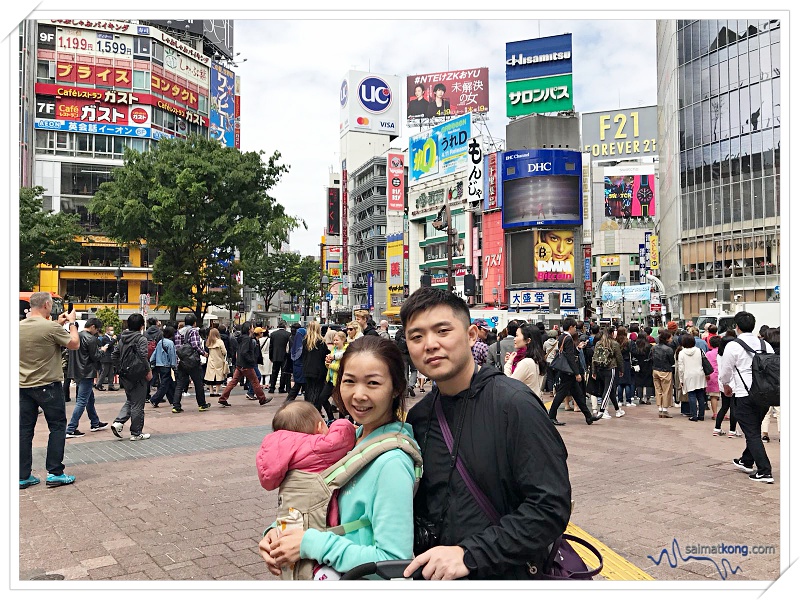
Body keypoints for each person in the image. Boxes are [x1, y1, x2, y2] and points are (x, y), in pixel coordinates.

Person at [400, 287, 572, 580]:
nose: (429, 344)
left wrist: (471, 555)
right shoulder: (419, 417)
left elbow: (550, 507)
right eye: (416, 336)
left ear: (470, 336)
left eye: (442, 331)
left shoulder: (513, 404)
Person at [259, 336, 417, 578]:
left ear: (396, 387)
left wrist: (309, 544)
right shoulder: (349, 440)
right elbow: (314, 504)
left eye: (373, 383)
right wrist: (277, 534)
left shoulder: (391, 463)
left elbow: (394, 560)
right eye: (349, 381)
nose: (358, 395)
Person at [20, 292, 80, 489]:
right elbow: (74, 344)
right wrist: (72, 323)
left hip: (22, 386)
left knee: (24, 430)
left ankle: (23, 475)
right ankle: (54, 472)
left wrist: (56, 321)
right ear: (47, 304)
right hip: (47, 385)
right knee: (57, 426)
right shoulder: (51, 327)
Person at [719, 312, 776, 483]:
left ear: (736, 326)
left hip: (745, 394)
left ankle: (765, 470)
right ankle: (746, 460)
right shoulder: (765, 345)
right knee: (754, 429)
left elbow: (725, 372)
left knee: (751, 433)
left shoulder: (733, 346)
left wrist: (726, 387)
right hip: (765, 395)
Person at [256, 399, 356, 491]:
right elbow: (341, 436)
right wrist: (343, 424)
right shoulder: (316, 446)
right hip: (321, 505)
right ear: (320, 427)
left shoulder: (279, 450)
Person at [546, 318, 599, 426]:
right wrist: (577, 373)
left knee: (578, 395)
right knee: (561, 394)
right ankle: (551, 416)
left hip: (565, 371)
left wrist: (578, 349)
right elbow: (570, 357)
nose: (575, 329)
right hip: (568, 372)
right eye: (574, 327)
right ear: (571, 327)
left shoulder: (562, 337)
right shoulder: (568, 339)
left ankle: (588, 417)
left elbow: (568, 353)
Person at [109, 313, 153, 441]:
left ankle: (118, 422)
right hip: (138, 374)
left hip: (125, 375)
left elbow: (114, 355)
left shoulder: (122, 338)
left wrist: (120, 368)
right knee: (138, 404)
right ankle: (136, 432)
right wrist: (148, 371)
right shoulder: (141, 339)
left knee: (131, 400)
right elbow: (144, 356)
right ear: (141, 325)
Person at [65, 317, 110, 438]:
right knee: (82, 401)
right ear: (93, 327)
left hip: (77, 371)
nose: (97, 332)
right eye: (97, 329)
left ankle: (95, 422)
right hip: (87, 371)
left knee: (89, 399)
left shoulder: (76, 335)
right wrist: (103, 350)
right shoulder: (91, 338)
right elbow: (95, 356)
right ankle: (71, 428)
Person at [217, 321, 272, 407]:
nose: (253, 329)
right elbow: (244, 352)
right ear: (249, 329)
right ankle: (262, 398)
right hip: (246, 365)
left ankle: (223, 398)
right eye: (252, 327)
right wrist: (251, 360)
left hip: (240, 364)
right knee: (255, 381)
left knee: (233, 382)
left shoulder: (241, 338)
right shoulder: (247, 339)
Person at [171, 314, 210, 413]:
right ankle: (201, 404)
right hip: (192, 361)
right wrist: (203, 353)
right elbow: (195, 345)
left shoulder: (178, 332)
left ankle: (176, 405)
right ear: (194, 323)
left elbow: (177, 347)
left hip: (181, 361)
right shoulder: (193, 331)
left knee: (180, 384)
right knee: (198, 383)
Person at [503, 323, 547, 397]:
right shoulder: (537, 359)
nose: (514, 338)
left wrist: (508, 364)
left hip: (525, 404)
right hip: (534, 402)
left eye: (517, 335)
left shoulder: (526, 362)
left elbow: (509, 384)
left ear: (528, 340)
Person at [592, 327, 625, 419]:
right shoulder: (614, 344)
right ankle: (602, 411)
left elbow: (594, 357)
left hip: (599, 369)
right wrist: (621, 370)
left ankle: (618, 410)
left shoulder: (598, 343)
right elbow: (619, 358)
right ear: (611, 333)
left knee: (609, 391)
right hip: (610, 368)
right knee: (607, 390)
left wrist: (594, 371)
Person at [300, 321, 331, 418]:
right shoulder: (321, 342)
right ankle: (316, 412)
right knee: (318, 392)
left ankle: (308, 411)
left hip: (307, 369)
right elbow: (324, 355)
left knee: (309, 391)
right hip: (319, 371)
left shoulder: (305, 341)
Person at [676, 334, 707, 422]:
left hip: (688, 375)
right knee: (700, 395)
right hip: (700, 374)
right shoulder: (699, 350)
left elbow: (681, 368)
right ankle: (701, 415)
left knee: (691, 395)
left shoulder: (681, 353)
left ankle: (694, 415)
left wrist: (681, 379)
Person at [322, 330, 349, 419]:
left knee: (340, 402)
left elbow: (341, 367)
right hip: (330, 379)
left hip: (339, 380)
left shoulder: (346, 350)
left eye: (337, 340)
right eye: (334, 340)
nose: (335, 342)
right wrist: (327, 362)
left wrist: (331, 365)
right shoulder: (334, 349)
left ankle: (342, 421)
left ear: (343, 340)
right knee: (322, 398)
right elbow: (328, 365)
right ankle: (331, 418)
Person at [149, 325, 177, 408]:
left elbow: (154, 354)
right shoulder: (170, 343)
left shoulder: (160, 342)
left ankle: (173, 400)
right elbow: (172, 355)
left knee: (169, 383)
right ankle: (154, 399)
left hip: (159, 365)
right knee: (164, 385)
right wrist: (174, 365)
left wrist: (152, 362)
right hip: (166, 365)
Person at [760, 328, 780, 443]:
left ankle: (764, 434)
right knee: (780, 411)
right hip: (780, 385)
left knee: (766, 412)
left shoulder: (764, 352)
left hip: (766, 385)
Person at [652, 330, 676, 418]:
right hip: (665, 370)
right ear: (667, 339)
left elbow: (651, 357)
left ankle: (660, 409)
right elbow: (672, 361)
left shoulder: (654, 347)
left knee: (658, 390)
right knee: (666, 390)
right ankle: (665, 410)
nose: (671, 339)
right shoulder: (669, 349)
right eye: (670, 338)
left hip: (655, 370)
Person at [394, 325, 418, 397]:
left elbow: (396, 341)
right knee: (414, 370)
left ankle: (405, 391)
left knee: (405, 373)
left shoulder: (399, 332)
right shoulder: (412, 330)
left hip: (402, 355)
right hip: (411, 354)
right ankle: (411, 385)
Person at [204, 326, 228, 397]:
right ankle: (217, 392)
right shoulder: (220, 342)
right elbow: (224, 351)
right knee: (219, 376)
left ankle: (211, 392)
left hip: (211, 360)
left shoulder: (209, 342)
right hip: (219, 360)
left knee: (210, 376)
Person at [268, 321, 291, 394]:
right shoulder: (288, 334)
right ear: (285, 326)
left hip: (275, 355)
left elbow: (271, 347)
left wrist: (271, 356)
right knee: (283, 373)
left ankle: (272, 387)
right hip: (285, 356)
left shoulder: (273, 334)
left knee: (274, 372)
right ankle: (281, 388)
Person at [630, 335, 654, 405]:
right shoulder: (649, 346)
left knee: (639, 382)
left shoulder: (636, 346)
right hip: (648, 365)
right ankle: (648, 398)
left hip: (638, 366)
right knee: (648, 382)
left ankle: (640, 397)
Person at [615, 326, 635, 408]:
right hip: (626, 362)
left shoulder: (615, 342)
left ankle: (619, 400)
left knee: (620, 383)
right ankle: (628, 400)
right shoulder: (629, 342)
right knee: (627, 382)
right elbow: (633, 351)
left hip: (617, 362)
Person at [95, 325, 118, 391]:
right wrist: (113, 339)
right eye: (111, 330)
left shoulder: (110, 338)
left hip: (110, 357)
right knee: (104, 372)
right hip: (105, 357)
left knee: (111, 372)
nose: (112, 331)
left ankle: (111, 385)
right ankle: (98, 384)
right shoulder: (104, 338)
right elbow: (109, 345)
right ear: (107, 331)